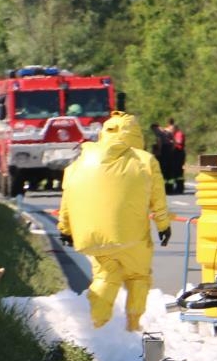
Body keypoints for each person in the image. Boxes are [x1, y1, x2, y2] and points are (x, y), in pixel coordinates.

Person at [56, 112, 172, 332]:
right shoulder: (145, 160)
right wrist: (163, 226)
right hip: (132, 237)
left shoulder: (81, 161)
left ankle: (97, 326)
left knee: (105, 276)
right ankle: (133, 326)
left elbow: (68, 197)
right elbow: (158, 198)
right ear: (135, 135)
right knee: (138, 276)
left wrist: (65, 229)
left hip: (92, 238)